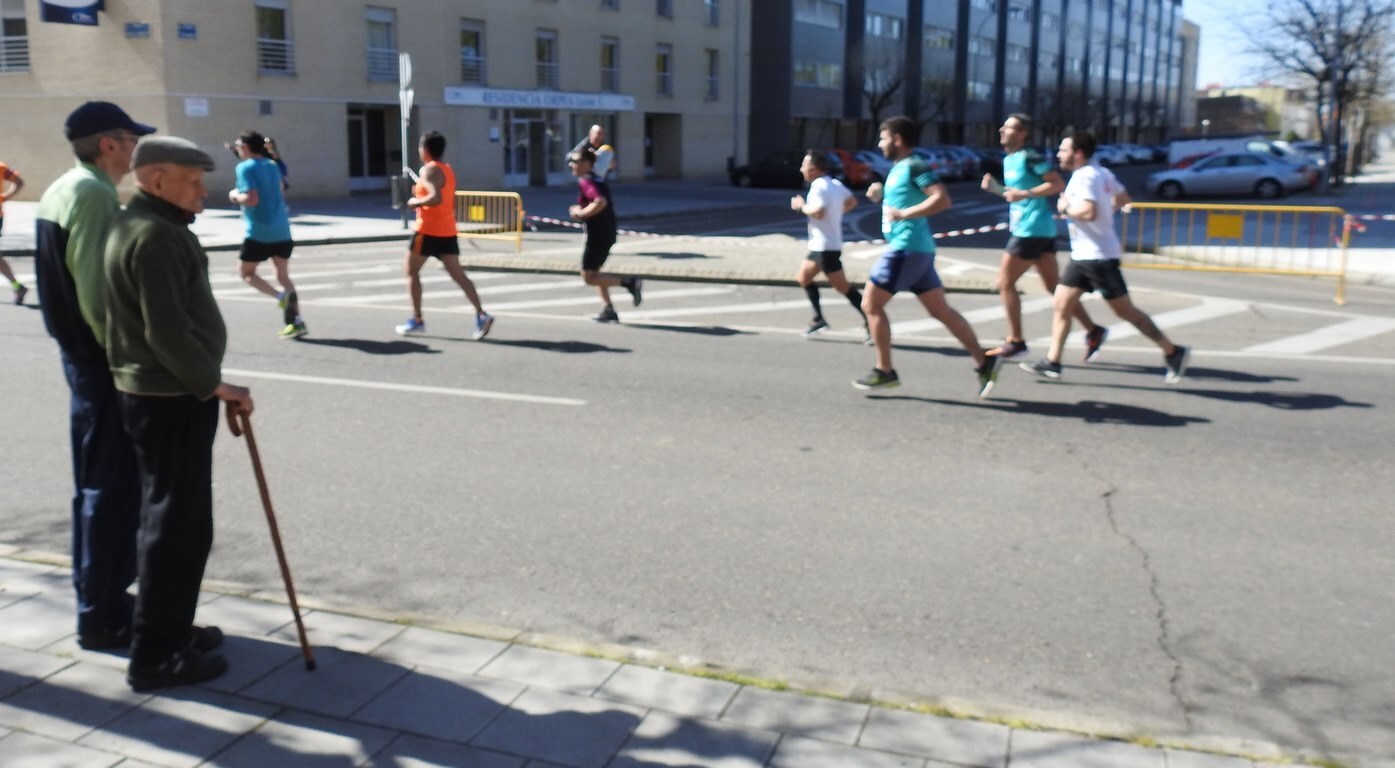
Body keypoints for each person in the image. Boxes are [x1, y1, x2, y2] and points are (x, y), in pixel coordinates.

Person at [103, 136, 253, 690]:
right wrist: (217, 385)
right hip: (169, 398)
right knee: (178, 528)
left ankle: (169, 630)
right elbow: (165, 332)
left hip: (155, 395)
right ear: (156, 179)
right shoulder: (159, 237)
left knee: (173, 521)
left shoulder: (136, 225)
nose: (203, 189)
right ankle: (157, 655)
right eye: (192, 181)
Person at [34, 102, 154, 650]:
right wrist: (125, 360)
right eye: (131, 139)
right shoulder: (94, 194)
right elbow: (97, 290)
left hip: (78, 359)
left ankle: (97, 598)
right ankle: (104, 613)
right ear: (108, 143)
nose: (135, 149)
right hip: (100, 363)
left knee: (92, 485)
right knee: (111, 487)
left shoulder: (64, 187)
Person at [1020, 131, 1189, 384]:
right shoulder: (1102, 173)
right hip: (1084, 255)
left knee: (1126, 312)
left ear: (1077, 154)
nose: (1058, 154)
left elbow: (1088, 212)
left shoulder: (1085, 176)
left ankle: (1173, 351)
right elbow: (1122, 198)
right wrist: (1105, 217)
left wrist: (1067, 208)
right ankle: (1053, 362)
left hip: (1097, 257)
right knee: (1062, 304)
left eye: (1063, 150)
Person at [855, 116, 1001, 397]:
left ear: (897, 139)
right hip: (916, 250)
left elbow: (941, 199)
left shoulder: (915, 165)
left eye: (883, 138)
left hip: (905, 248)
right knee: (939, 310)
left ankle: (885, 370)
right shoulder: (899, 168)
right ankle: (985, 361)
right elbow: (903, 199)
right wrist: (881, 196)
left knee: (871, 305)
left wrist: (903, 214)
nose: (879, 144)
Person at [980, 113, 1106, 361]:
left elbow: (1056, 183)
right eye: (1003, 126)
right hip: (1036, 229)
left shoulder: (1030, 157)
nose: (1003, 131)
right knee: (1054, 287)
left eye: (1010, 128)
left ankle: (1016, 341)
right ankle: (1094, 330)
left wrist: (1025, 193)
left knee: (1004, 284)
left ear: (1023, 133)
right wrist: (997, 189)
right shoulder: (1010, 159)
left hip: (1031, 230)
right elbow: (1016, 194)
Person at [395, 131, 493, 339]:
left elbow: (435, 197)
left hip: (427, 230)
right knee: (458, 274)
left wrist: (415, 202)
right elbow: (444, 197)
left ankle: (417, 319)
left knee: (410, 271)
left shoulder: (429, 171)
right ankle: (481, 314)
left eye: (421, 147)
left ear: (426, 149)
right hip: (446, 230)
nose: (419, 150)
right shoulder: (446, 169)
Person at [228, 130, 305, 339]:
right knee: (283, 275)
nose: (236, 149)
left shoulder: (244, 167)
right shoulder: (272, 165)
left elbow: (252, 199)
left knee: (246, 273)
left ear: (245, 147)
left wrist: (234, 196)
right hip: (282, 229)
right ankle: (296, 322)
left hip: (259, 231)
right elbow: (280, 188)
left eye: (238, 145)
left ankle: (280, 297)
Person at [789, 149, 867, 340]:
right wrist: (837, 213)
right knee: (804, 278)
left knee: (843, 287)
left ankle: (871, 319)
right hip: (822, 245)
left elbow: (818, 212)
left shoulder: (818, 187)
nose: (801, 169)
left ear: (813, 169)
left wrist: (801, 207)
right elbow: (852, 201)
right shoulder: (834, 184)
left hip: (825, 247)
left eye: (804, 166)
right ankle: (818, 318)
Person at [568, 147, 640, 322]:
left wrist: (581, 214)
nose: (571, 165)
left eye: (575, 161)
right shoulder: (596, 179)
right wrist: (579, 209)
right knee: (597, 273)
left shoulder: (586, 181)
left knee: (588, 277)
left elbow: (600, 202)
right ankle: (608, 309)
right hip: (606, 232)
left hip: (598, 235)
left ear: (586, 164)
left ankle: (629, 282)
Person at [0, 160, 28, 304]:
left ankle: (17, 286)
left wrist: (5, 196)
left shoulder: (1, 167)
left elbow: (19, 182)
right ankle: (18, 287)